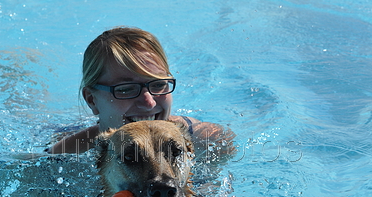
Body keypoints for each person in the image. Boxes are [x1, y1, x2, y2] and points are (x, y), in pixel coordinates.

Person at [47, 26, 234, 161]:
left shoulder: (206, 142)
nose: (149, 103)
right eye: (126, 89)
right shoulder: (65, 157)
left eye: (159, 84)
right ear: (91, 100)